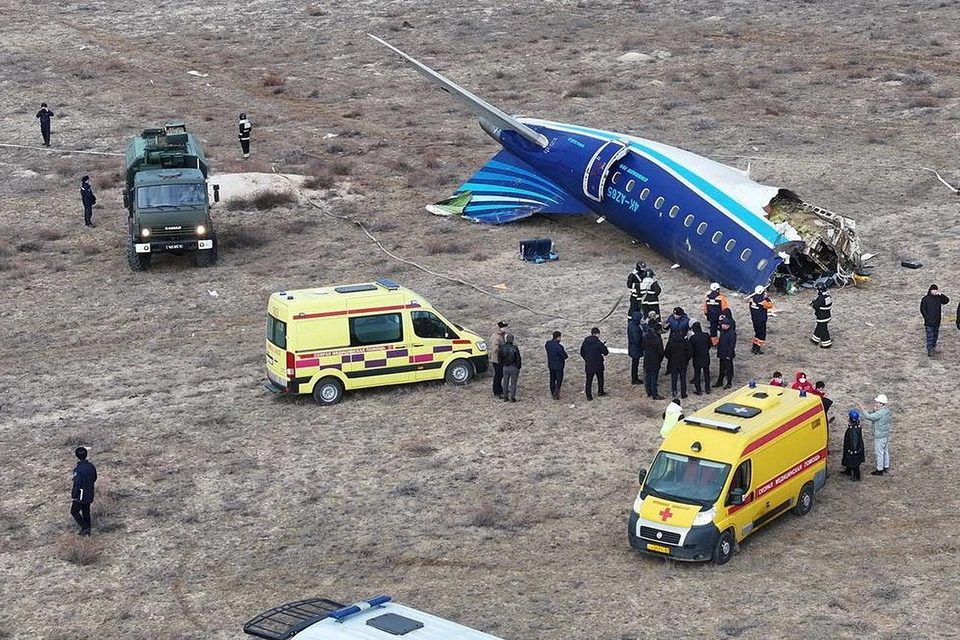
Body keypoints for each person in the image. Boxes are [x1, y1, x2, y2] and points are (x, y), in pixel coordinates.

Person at [861, 394, 891, 476]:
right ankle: (886, 466)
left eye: (877, 402)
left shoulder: (880, 413)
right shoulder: (886, 410)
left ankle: (879, 469)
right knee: (885, 451)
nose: (876, 404)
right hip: (885, 434)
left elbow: (869, 417)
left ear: (882, 404)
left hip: (879, 436)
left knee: (879, 453)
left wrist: (863, 410)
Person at [70, 446, 97, 536]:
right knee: (86, 512)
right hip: (90, 491)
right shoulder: (91, 466)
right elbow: (94, 478)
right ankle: (88, 532)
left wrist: (74, 495)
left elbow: (77, 483)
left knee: (74, 511)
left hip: (81, 494)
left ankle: (85, 528)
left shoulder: (78, 470)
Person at [920, 284, 950, 357]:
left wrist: (941, 295)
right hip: (929, 322)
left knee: (935, 336)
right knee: (930, 336)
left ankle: (933, 348)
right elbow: (922, 309)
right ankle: (930, 350)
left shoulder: (938, 298)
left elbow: (946, 301)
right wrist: (927, 318)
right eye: (933, 289)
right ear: (930, 290)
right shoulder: (925, 299)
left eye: (936, 289)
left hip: (937, 321)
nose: (934, 291)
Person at [580, 327, 609, 400]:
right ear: (597, 334)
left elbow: (582, 352)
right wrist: (604, 346)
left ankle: (588, 396)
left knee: (589, 380)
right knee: (600, 378)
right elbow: (605, 353)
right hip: (598, 364)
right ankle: (600, 391)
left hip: (589, 364)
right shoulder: (598, 343)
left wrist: (587, 359)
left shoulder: (585, 342)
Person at [664, 333, 692, 399]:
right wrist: (686, 359)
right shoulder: (685, 342)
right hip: (683, 363)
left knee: (674, 378)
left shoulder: (670, 342)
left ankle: (674, 391)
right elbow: (690, 353)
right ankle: (683, 393)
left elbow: (666, 353)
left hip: (673, 363)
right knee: (683, 379)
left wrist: (670, 359)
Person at [642, 318, 665, 400]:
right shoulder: (658, 340)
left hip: (647, 359)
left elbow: (643, 346)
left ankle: (649, 392)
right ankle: (655, 394)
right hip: (655, 360)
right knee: (654, 378)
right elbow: (661, 352)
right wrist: (660, 359)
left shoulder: (646, 337)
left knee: (648, 376)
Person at [748, 285, 774, 354]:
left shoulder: (751, 300)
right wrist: (767, 298)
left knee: (757, 334)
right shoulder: (763, 302)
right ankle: (757, 349)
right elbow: (770, 305)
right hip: (761, 320)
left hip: (754, 320)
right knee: (761, 335)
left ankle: (754, 348)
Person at [840, 410, 865, 481]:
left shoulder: (853, 430)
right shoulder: (856, 427)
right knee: (848, 460)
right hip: (850, 447)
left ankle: (856, 476)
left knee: (854, 464)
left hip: (852, 449)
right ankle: (848, 470)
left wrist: (853, 450)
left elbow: (854, 441)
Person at [688, 321, 712, 395]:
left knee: (697, 375)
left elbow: (690, 349)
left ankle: (699, 390)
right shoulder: (706, 335)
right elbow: (710, 345)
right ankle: (707, 389)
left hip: (697, 357)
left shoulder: (693, 338)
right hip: (705, 356)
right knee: (706, 374)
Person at [544, 330, 568, 400]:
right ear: (558, 337)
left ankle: (552, 392)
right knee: (559, 380)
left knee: (552, 379)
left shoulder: (548, 344)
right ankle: (556, 394)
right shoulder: (559, 347)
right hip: (559, 366)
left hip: (551, 365)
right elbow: (565, 356)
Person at [714, 314, 736, 389]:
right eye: (722, 324)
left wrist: (729, 355)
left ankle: (729, 382)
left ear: (728, 325)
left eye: (724, 324)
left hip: (727, 354)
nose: (722, 326)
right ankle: (720, 381)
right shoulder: (723, 331)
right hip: (722, 353)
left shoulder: (732, 333)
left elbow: (732, 345)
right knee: (721, 368)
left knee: (728, 369)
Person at [499, 333, 521, 402]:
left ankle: (505, 397)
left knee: (505, 382)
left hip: (505, 367)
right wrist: (518, 367)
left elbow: (500, 358)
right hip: (513, 367)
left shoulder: (502, 348)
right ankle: (512, 397)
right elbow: (518, 359)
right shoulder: (514, 348)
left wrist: (502, 364)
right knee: (513, 383)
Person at [810, 283, 832, 348]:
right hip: (827, 315)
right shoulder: (827, 295)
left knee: (823, 330)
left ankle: (826, 343)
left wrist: (812, 303)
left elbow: (815, 306)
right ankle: (815, 339)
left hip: (822, 317)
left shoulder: (821, 298)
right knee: (819, 327)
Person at [489, 321, 508, 399]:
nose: (506, 328)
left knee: (500, 375)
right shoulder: (496, 337)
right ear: (500, 328)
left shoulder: (501, 335)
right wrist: (503, 349)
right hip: (497, 359)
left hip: (500, 359)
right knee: (498, 376)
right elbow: (495, 349)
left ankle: (500, 389)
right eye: (504, 327)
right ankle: (496, 391)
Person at [627, 311, 644, 386]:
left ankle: (634, 377)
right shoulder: (635, 328)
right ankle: (634, 378)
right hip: (636, 348)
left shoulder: (631, 324)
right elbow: (637, 339)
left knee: (635, 363)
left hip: (632, 347)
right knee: (635, 363)